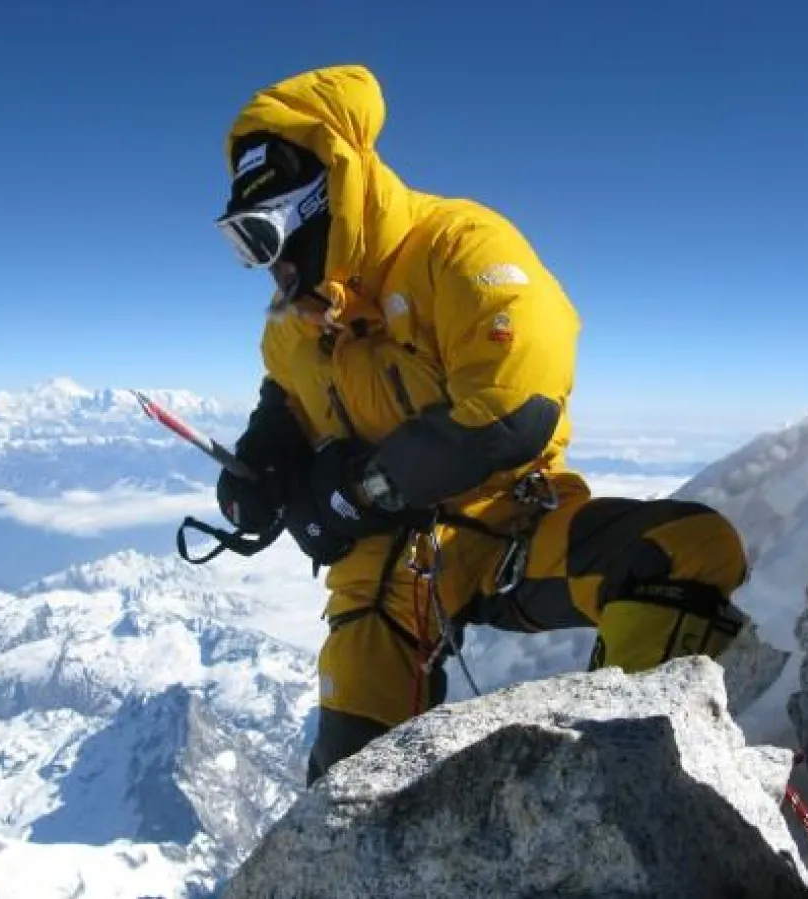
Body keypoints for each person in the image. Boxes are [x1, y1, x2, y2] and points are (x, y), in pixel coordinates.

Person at [213, 64, 749, 785]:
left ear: (323, 198)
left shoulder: (458, 247)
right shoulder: (295, 327)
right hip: (391, 569)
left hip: (509, 523)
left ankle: (629, 788)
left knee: (685, 552)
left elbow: (514, 409)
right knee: (348, 771)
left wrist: (354, 495)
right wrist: (258, 465)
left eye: (262, 237)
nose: (263, 268)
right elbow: (283, 402)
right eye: (242, 244)